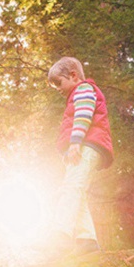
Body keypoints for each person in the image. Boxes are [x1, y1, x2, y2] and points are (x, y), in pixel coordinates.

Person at [47, 56, 114, 256]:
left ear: (73, 76)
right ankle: (87, 240)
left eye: (59, 82)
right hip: (84, 145)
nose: (58, 88)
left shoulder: (84, 89)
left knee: (71, 188)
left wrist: (76, 142)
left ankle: (60, 233)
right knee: (78, 190)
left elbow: (84, 115)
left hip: (87, 145)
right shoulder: (77, 92)